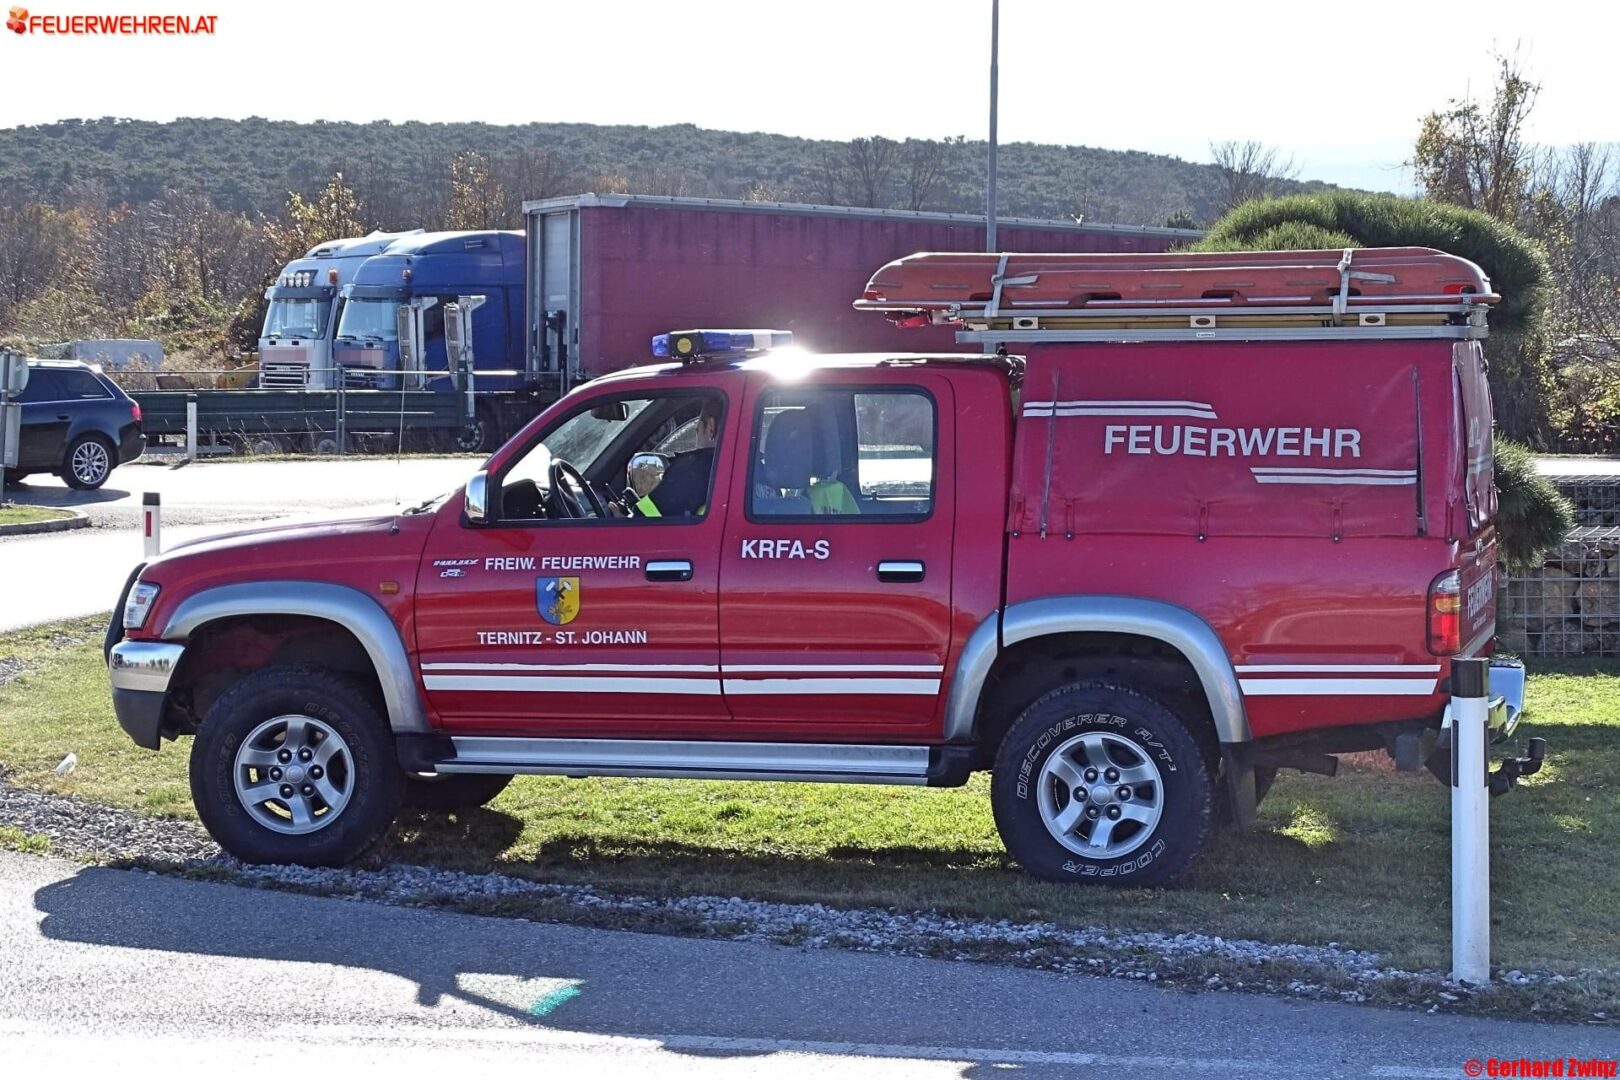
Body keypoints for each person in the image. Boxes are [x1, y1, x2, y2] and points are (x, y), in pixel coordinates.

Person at [635, 398, 720, 517]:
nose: (696, 441)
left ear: (710, 427)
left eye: (697, 430)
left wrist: (622, 520)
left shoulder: (691, 472)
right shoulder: (745, 471)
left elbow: (646, 521)